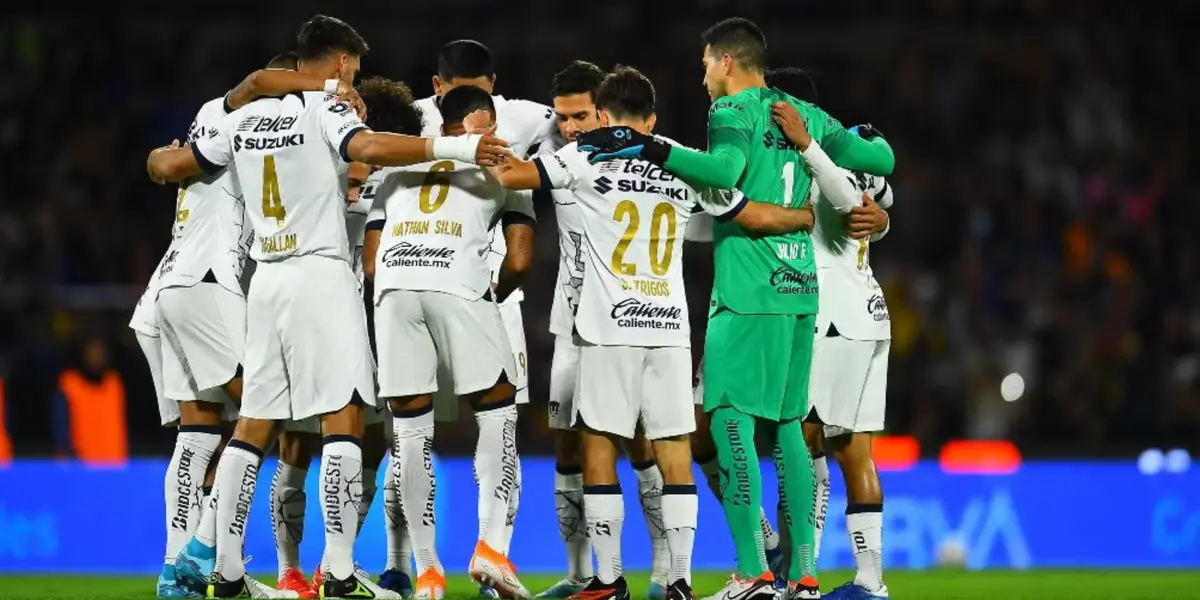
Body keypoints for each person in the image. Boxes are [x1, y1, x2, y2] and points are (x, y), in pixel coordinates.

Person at [145, 14, 507, 599]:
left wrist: (231, 100)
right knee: (344, 416)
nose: (354, 81)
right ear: (340, 63)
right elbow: (364, 147)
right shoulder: (325, 107)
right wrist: (456, 145)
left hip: (265, 278)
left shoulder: (239, 113)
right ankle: (337, 570)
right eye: (354, 70)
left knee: (253, 424)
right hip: (319, 271)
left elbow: (178, 160)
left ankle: (219, 566)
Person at [576, 18, 895, 600]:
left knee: (728, 424)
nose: (702, 78)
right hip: (802, 290)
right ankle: (802, 574)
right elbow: (882, 158)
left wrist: (653, 147)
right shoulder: (806, 117)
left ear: (726, 61)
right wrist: (858, 154)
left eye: (704, 65)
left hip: (749, 295)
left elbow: (723, 173)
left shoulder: (731, 113)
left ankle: (753, 570)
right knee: (793, 429)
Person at [491, 65, 821, 600]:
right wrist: (804, 218)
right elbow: (746, 215)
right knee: (674, 447)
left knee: (597, 441)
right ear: (651, 119)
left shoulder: (586, 153)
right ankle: (680, 581)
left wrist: (484, 152)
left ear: (602, 114)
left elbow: (513, 179)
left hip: (608, 326)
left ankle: (608, 578)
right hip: (669, 329)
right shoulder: (678, 157)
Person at [137, 49, 367, 600]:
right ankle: (211, 561)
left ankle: (179, 570)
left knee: (199, 432)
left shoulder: (214, 118)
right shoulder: (261, 118)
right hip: (211, 282)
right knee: (266, 419)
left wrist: (157, 160)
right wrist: (336, 98)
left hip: (166, 288)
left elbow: (162, 165)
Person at [368, 84, 535, 600]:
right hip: (459, 283)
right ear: (480, 119)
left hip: (393, 289)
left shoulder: (400, 164)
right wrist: (490, 294)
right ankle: (489, 547)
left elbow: (369, 261)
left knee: (410, 433)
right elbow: (521, 258)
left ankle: (428, 574)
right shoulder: (503, 161)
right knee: (498, 408)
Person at [267, 75, 427, 599]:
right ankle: (289, 571)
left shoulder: (398, 184)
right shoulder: (319, 166)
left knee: (371, 451)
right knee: (294, 443)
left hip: (373, 328)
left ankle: (334, 566)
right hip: (313, 315)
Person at [522, 60, 674, 600]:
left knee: (639, 442)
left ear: (603, 111)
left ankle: (662, 571)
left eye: (581, 115)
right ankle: (581, 572)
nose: (571, 127)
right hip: (572, 324)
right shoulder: (556, 157)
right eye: (562, 118)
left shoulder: (632, 161)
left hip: (628, 320)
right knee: (568, 447)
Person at [773, 104, 895, 600]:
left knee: (801, 445)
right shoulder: (872, 177)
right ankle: (871, 581)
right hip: (870, 313)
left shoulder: (813, 162)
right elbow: (877, 202)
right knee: (854, 450)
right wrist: (884, 220)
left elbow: (842, 198)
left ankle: (798, 577)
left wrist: (804, 143)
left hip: (832, 319)